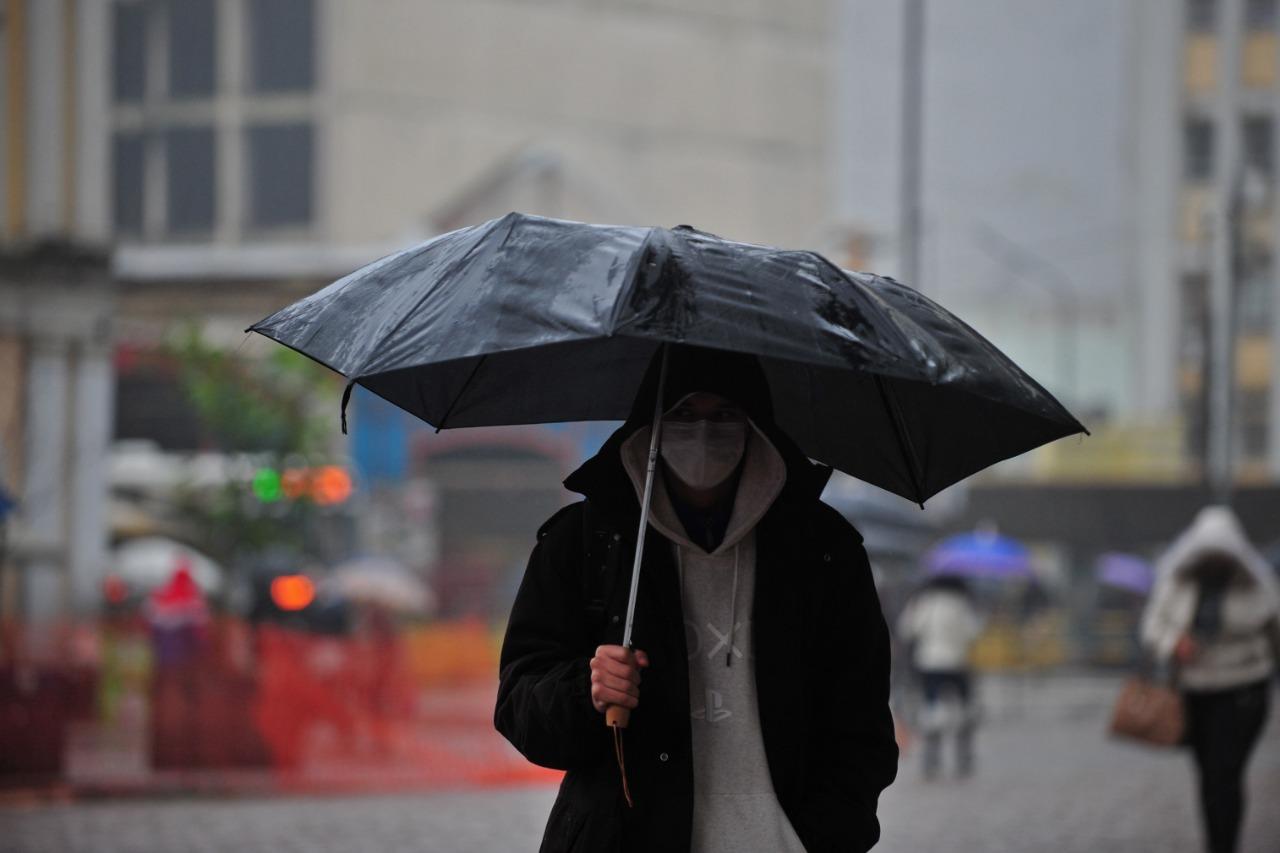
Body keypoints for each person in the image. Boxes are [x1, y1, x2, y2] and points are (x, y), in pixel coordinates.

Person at [495, 345, 898, 853]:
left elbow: (861, 720)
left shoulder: (823, 550)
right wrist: (586, 690)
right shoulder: (584, 542)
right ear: (651, 425)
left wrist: (828, 830)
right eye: (683, 414)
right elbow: (519, 706)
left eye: (724, 415)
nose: (704, 432)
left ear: (755, 425)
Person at [1141, 506, 1280, 853]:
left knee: (1226, 772)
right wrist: (1174, 643)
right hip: (1196, 690)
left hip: (1244, 689)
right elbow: (1153, 627)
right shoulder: (1178, 581)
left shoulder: (1257, 584)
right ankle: (1215, 840)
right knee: (1208, 774)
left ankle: (1224, 843)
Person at [895, 574, 982, 779]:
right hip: (957, 663)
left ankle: (931, 759)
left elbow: (907, 630)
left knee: (931, 709)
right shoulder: (962, 604)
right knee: (964, 710)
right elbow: (973, 633)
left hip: (930, 662)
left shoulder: (924, 602)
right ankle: (963, 758)